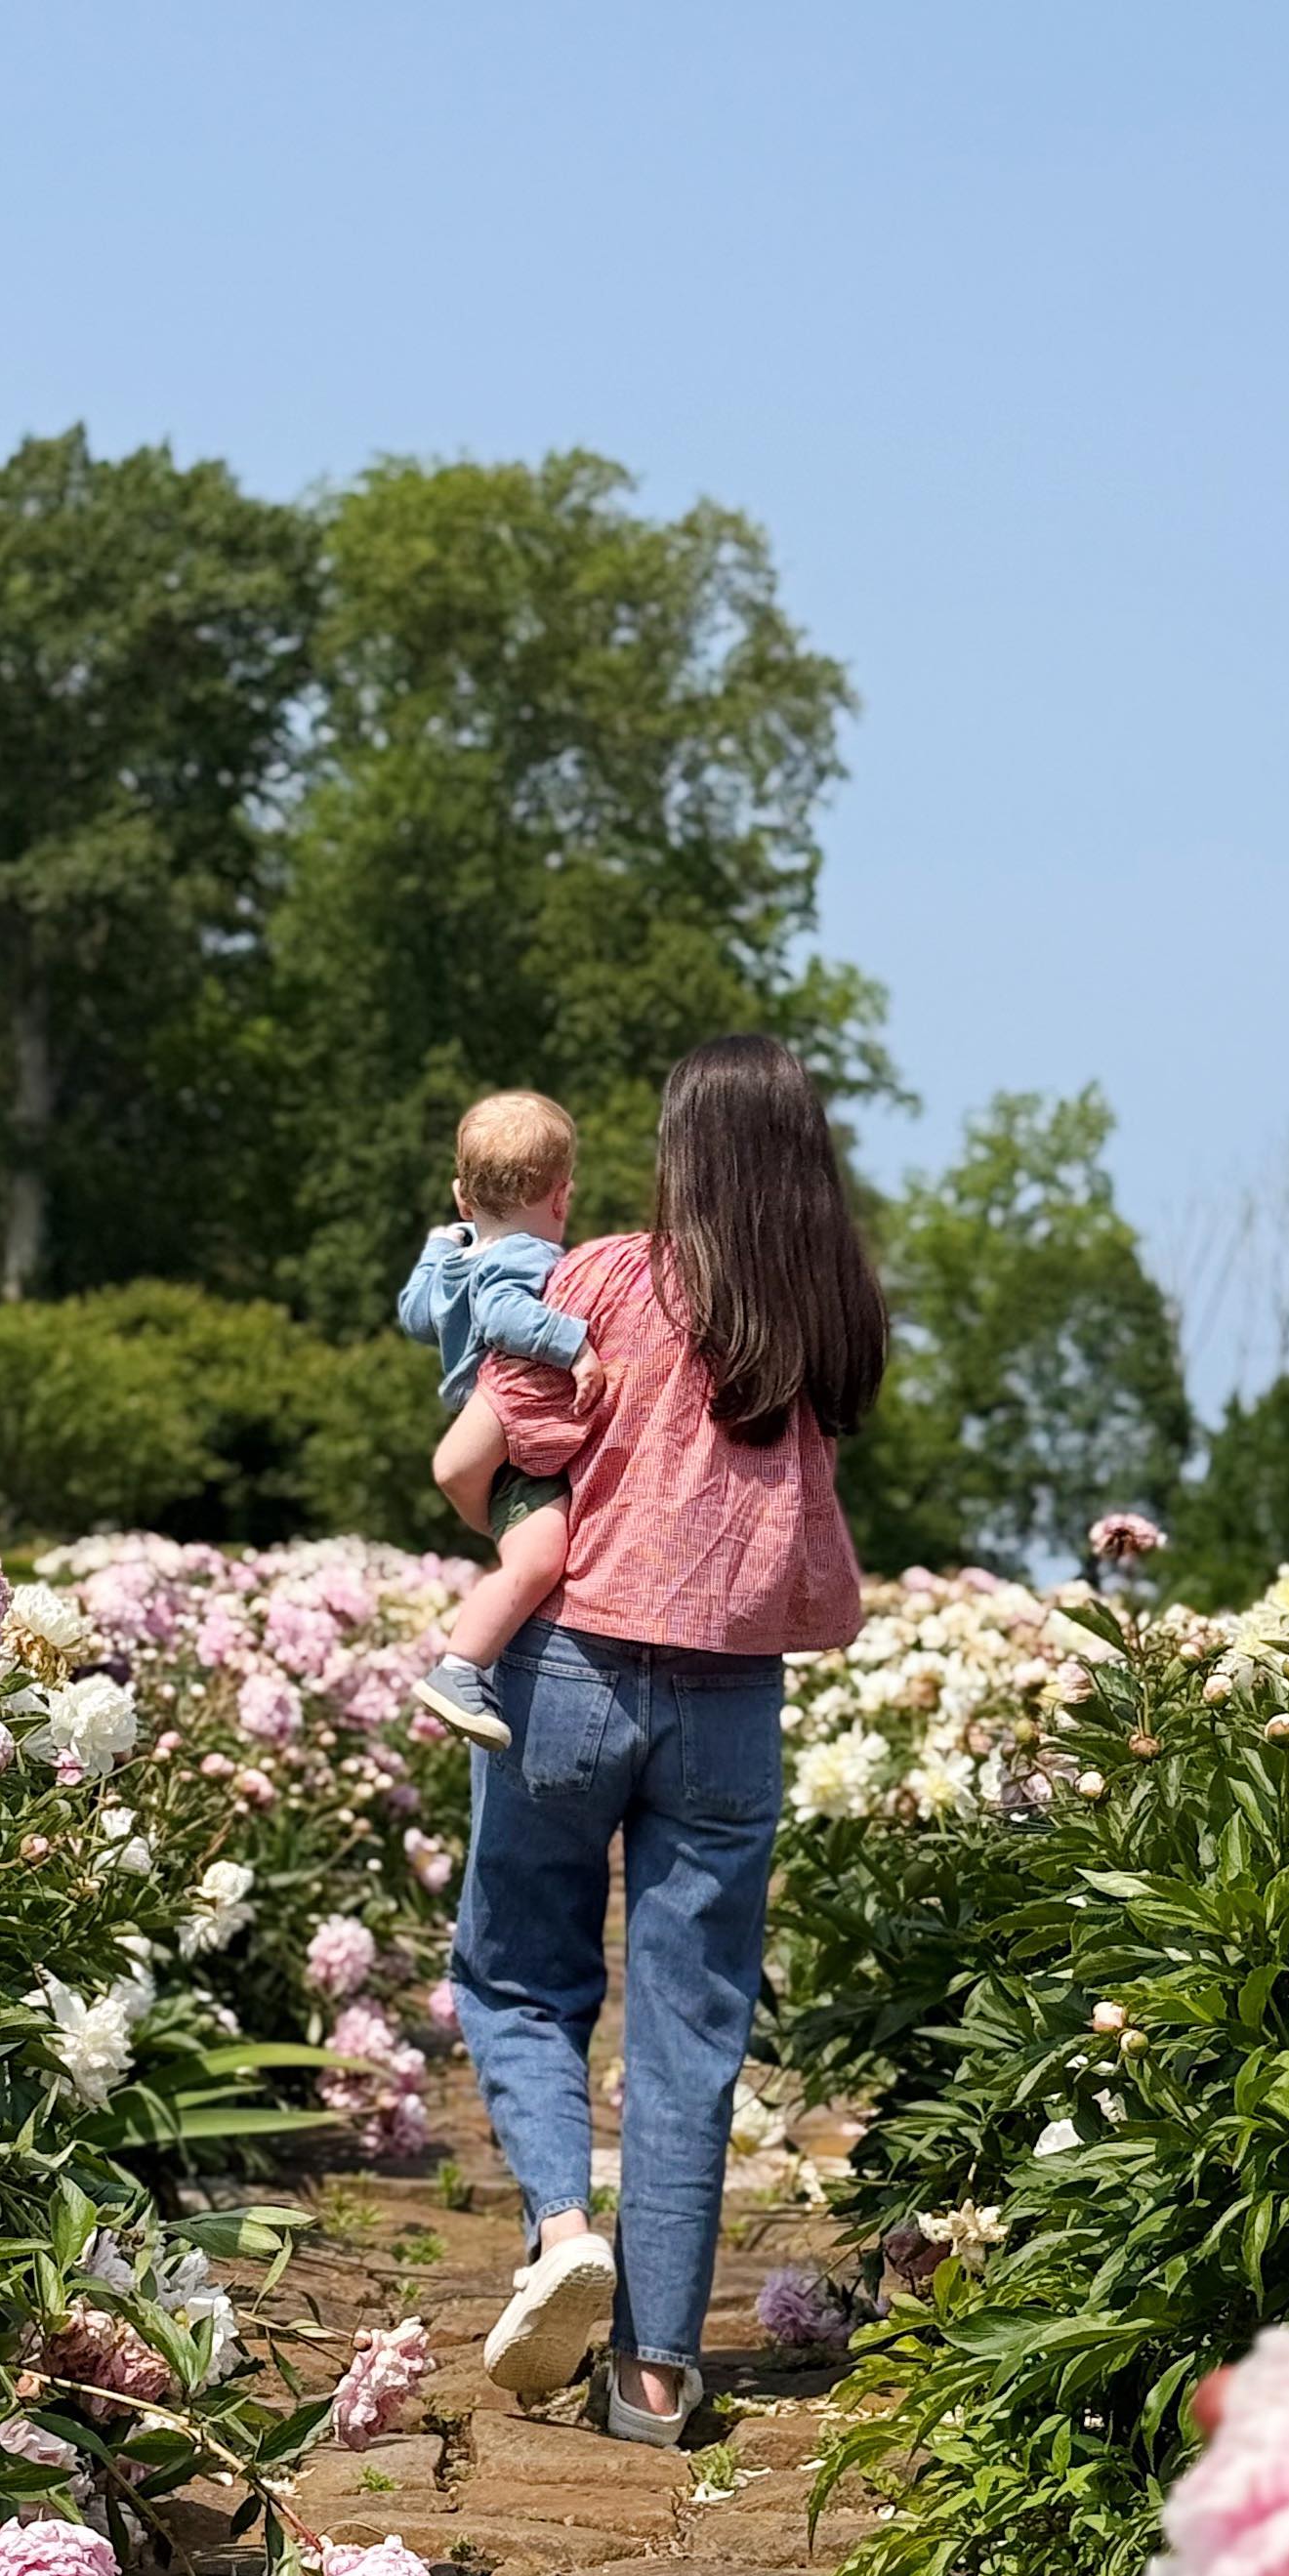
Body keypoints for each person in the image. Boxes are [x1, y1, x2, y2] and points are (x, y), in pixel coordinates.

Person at [431, 1034, 888, 2446]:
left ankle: (564, 2229)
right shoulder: (825, 1315)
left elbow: (480, 1455)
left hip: (570, 1666)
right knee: (691, 2029)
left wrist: (506, 1530)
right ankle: (654, 2375)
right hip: (731, 1702)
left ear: (680, 1151)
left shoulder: (607, 1278)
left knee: (518, 1974)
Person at [398, 1091, 605, 1749]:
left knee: (533, 1553)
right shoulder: (527, 1254)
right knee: (538, 1560)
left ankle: (472, 1663)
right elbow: (503, 1316)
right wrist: (576, 1345)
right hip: (517, 1442)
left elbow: (415, 1316)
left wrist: (437, 1250)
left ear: (463, 1198)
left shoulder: (460, 1258)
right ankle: (461, 1668)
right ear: (561, 1198)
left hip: (486, 1430)